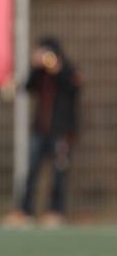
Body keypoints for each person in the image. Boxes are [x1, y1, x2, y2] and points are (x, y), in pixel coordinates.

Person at [17, 37, 81, 226]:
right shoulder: (40, 73)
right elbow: (27, 87)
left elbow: (74, 89)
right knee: (32, 171)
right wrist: (35, 66)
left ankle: (56, 211)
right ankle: (25, 211)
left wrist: (58, 70)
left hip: (61, 132)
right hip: (40, 131)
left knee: (59, 172)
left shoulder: (68, 70)